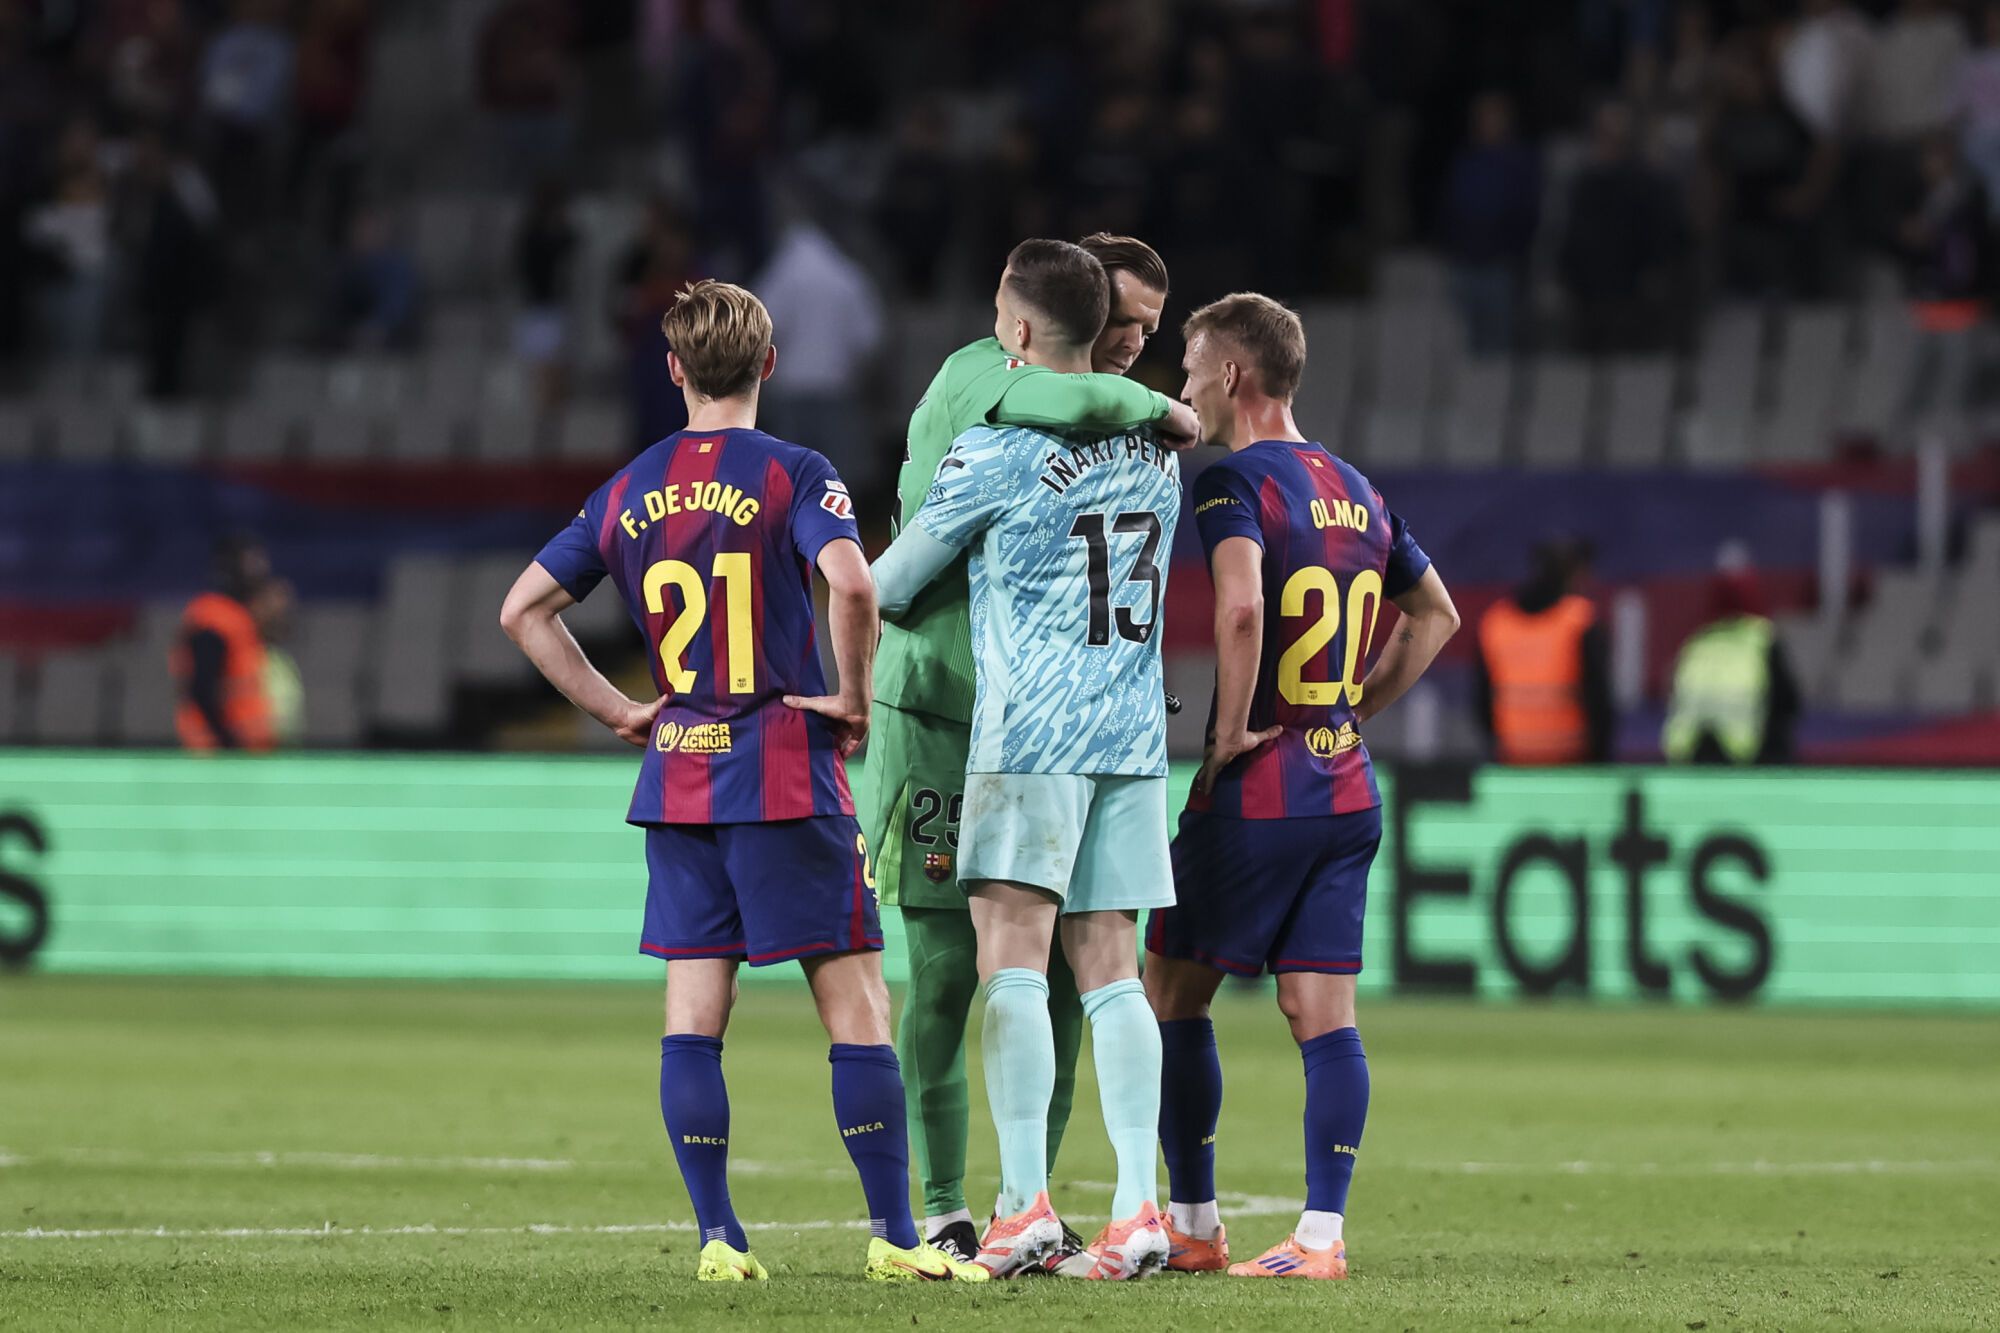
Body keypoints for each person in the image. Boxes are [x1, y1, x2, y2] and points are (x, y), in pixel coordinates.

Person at [498, 280, 985, 1285]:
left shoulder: (628, 486)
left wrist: (618, 709)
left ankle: (720, 1239)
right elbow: (851, 580)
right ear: (768, 365)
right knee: (855, 1006)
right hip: (779, 765)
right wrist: (851, 695)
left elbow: (522, 611)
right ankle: (896, 1237)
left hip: (677, 775)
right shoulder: (795, 470)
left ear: (673, 370)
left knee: (692, 1015)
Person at [863, 233, 1195, 1271]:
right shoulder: (1157, 454)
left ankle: (1020, 1205)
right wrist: (1160, 407)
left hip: (1027, 732)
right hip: (1134, 731)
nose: (1141, 346)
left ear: (1017, 329)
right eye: (1129, 327)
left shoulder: (997, 444)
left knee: (1006, 963)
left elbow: (886, 583)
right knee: (1110, 974)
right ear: (1099, 332)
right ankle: (1139, 1206)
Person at [1143, 294, 1458, 1281]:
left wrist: (1227, 732)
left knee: (1168, 993)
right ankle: (1319, 1236)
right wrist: (1353, 708)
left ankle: (1193, 1222)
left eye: (1191, 362)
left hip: (1261, 784)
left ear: (1231, 377)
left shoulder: (1232, 479)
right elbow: (1434, 612)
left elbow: (1238, 610)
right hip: (1343, 783)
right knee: (1324, 1016)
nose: (1181, 379)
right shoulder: (1351, 485)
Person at [1473, 538, 1614, 765]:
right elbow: (1600, 699)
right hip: (1574, 760)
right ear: (1574, 573)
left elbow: (1481, 700)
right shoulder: (1581, 620)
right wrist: (1601, 761)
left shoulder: (1496, 623)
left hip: (1512, 758)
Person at [1662, 568, 1801, 764]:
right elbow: (1789, 703)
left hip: (1688, 761)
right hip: (1747, 762)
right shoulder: (1763, 640)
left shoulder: (1696, 644)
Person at [172, 535, 276, 753]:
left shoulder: (237, 615)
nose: (260, 570)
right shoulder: (213, 616)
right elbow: (202, 687)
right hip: (218, 750)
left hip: (244, 747)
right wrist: (228, 741)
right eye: (251, 562)